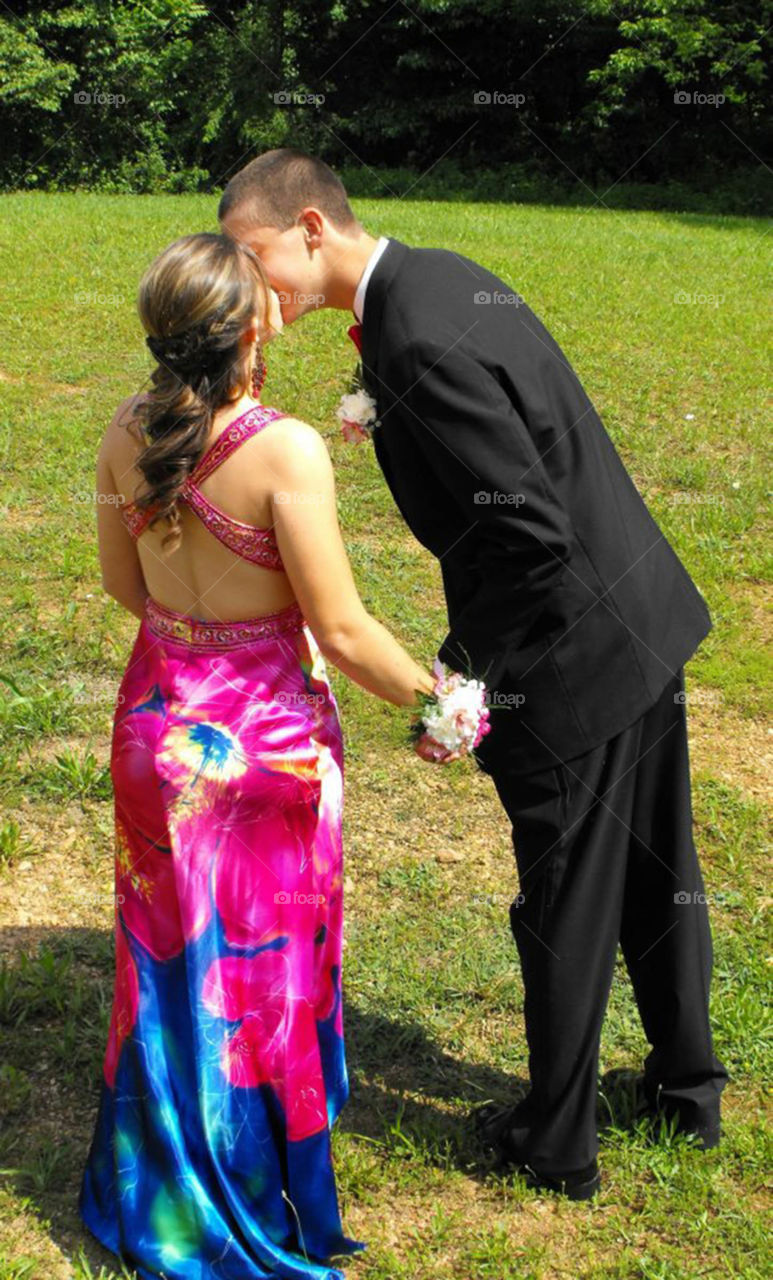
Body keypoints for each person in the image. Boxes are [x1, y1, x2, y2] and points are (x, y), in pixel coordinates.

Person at [219, 150, 729, 1200]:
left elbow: (528, 536)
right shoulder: (439, 276)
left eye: (252, 253)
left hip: (570, 653)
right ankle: (686, 1088)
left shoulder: (409, 335)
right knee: (651, 873)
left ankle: (555, 1143)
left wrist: (459, 682)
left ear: (309, 227)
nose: (249, 281)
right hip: (635, 615)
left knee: (564, 900)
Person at [79, 231, 435, 1279]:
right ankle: (247, 1189)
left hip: (155, 729)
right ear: (254, 327)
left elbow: (122, 587)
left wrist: (195, 638)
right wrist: (445, 701)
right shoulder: (283, 450)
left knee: (165, 967)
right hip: (259, 746)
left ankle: (158, 1184)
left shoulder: (121, 429)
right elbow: (346, 628)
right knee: (257, 977)